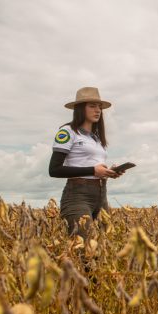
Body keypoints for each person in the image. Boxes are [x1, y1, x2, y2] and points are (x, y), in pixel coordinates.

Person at [48, 87, 124, 238]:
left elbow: (93, 166)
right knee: (86, 249)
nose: (98, 110)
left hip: (101, 196)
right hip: (78, 196)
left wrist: (109, 172)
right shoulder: (67, 132)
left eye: (99, 107)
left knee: (106, 246)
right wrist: (93, 171)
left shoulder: (95, 138)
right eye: (92, 106)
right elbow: (54, 170)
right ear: (80, 109)